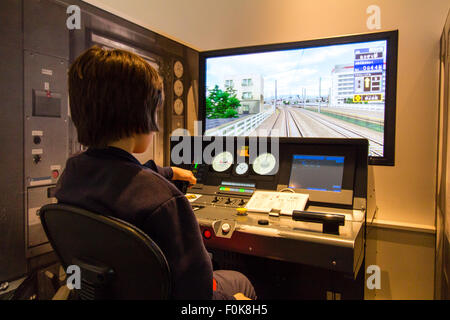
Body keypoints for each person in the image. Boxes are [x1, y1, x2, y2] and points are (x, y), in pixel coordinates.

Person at [55, 46, 256, 300]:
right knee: (241, 282)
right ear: (143, 117)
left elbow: (118, 175)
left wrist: (169, 172)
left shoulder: (72, 176)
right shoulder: (165, 202)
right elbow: (199, 291)